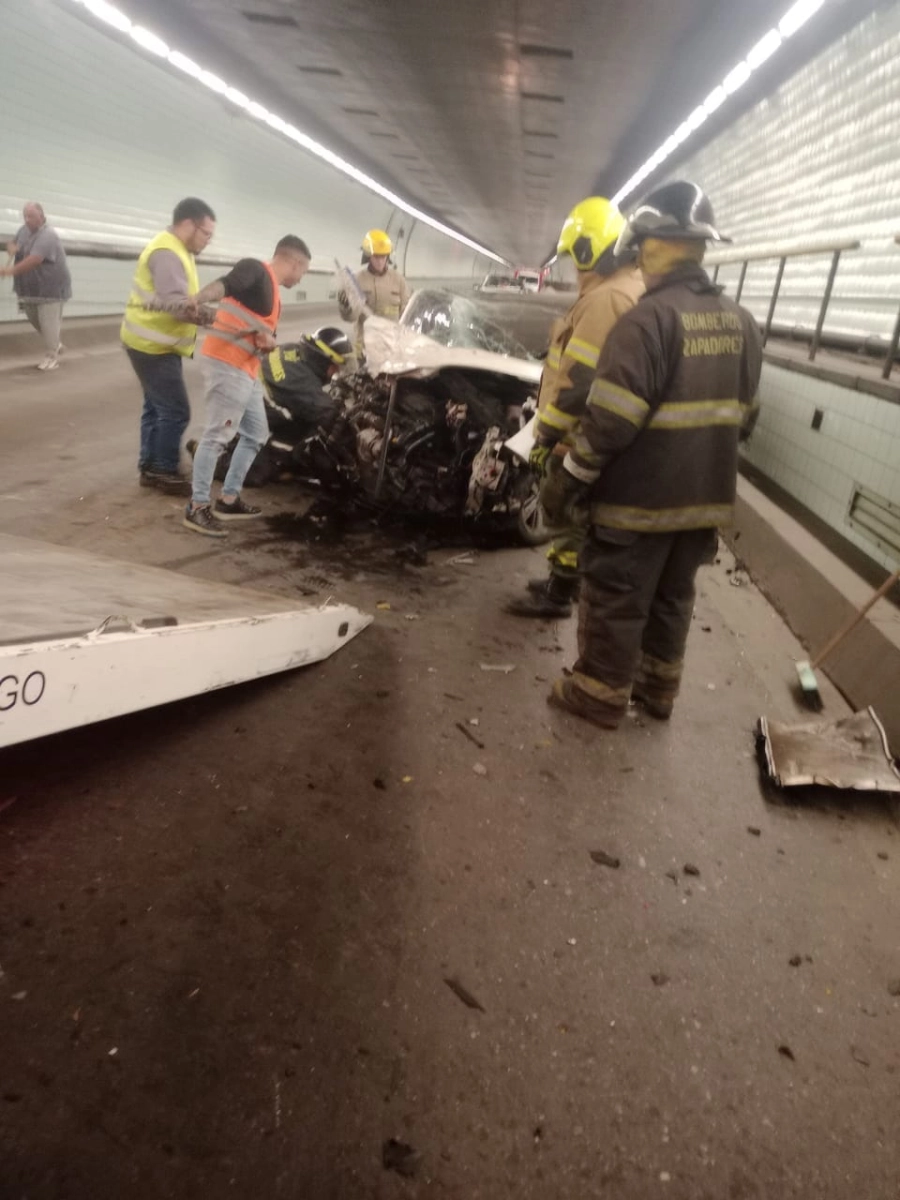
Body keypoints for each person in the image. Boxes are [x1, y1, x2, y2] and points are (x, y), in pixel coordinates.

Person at [541, 181, 763, 729]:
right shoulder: (742, 323)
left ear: (648, 246)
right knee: (671, 599)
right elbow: (747, 418)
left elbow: (609, 423)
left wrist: (568, 477)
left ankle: (596, 693)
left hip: (637, 503)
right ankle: (657, 692)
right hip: (703, 500)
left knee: (617, 594)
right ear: (700, 248)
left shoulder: (647, 322)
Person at [506, 197, 645, 618]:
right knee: (577, 519)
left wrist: (545, 434)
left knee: (566, 514)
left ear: (591, 249)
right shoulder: (627, 289)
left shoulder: (606, 299)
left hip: (577, 433)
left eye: (576, 257)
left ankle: (558, 596)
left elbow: (578, 379)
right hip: (604, 433)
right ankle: (562, 583)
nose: (576, 268)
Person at [182, 235, 311, 537]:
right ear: (294, 262)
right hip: (228, 365)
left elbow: (254, 330)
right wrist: (198, 299)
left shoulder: (272, 293)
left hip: (247, 369)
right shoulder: (255, 270)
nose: (301, 276)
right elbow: (225, 284)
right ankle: (197, 507)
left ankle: (229, 499)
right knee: (217, 436)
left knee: (256, 433)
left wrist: (268, 343)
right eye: (303, 270)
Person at [121, 197, 217, 494]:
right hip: (152, 346)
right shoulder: (167, 252)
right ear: (188, 224)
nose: (207, 241)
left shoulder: (177, 248)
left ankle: (149, 466)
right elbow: (177, 305)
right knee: (176, 411)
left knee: (156, 407)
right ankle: (162, 470)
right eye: (206, 234)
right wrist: (215, 318)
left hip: (151, 341)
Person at [1, 203, 72, 371]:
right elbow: (13, 243)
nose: (26, 220)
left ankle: (51, 356)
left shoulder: (48, 235)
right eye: (25, 216)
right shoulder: (23, 230)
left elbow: (35, 260)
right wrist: (11, 247)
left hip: (51, 289)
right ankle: (55, 343)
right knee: (34, 317)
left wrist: (9, 271)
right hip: (30, 289)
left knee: (48, 323)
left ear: (41, 216)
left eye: (30, 216)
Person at [337, 228, 410, 357]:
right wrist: (346, 307)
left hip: (391, 346)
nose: (380, 261)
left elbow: (406, 313)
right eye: (376, 256)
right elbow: (351, 318)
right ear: (368, 256)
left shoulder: (398, 280)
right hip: (365, 347)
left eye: (384, 256)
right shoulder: (356, 280)